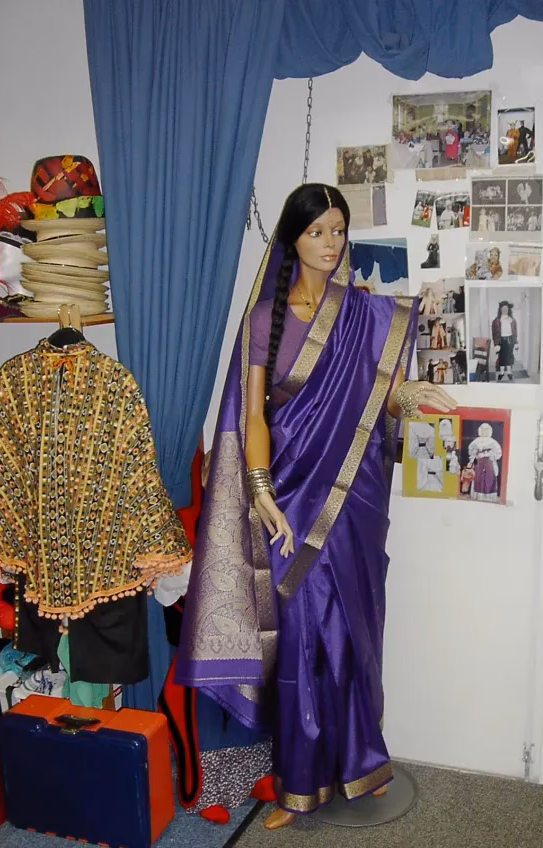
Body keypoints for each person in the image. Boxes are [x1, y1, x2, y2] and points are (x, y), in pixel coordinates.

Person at [175, 184, 456, 829]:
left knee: (355, 634)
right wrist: (259, 489)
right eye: (317, 232)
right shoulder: (265, 319)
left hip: (356, 498)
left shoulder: (364, 312)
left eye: (338, 230)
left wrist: (409, 395)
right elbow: (252, 417)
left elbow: (380, 396)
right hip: (290, 498)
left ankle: (362, 764)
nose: (331, 244)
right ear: (292, 239)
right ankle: (297, 787)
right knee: (302, 641)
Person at [467, 423, 503, 502]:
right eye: (482, 430)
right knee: (478, 478)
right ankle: (478, 495)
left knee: (489, 479)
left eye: (486, 430)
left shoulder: (493, 442)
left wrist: (486, 454)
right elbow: (472, 451)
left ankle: (488, 496)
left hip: (489, 463)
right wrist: (473, 458)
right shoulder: (476, 441)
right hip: (479, 463)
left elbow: (498, 453)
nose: (484, 432)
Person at [492, 301, 518, 382]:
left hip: (510, 340)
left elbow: (515, 332)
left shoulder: (512, 320)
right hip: (501, 340)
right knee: (502, 357)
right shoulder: (496, 321)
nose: (505, 310)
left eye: (506, 308)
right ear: (500, 309)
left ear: (508, 310)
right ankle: (502, 372)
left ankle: (509, 372)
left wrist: (516, 342)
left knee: (509, 357)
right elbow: (494, 333)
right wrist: (496, 344)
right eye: (503, 308)